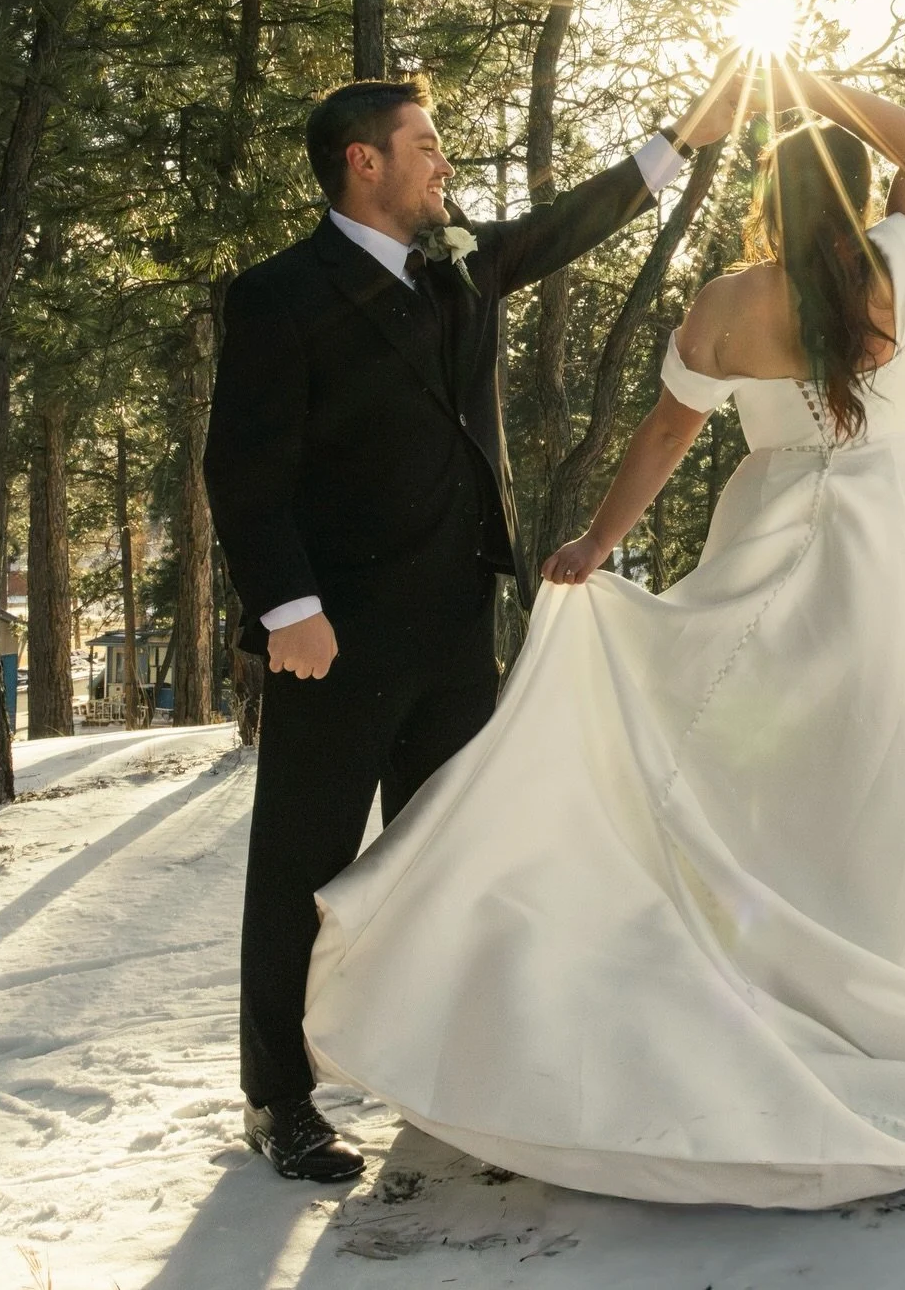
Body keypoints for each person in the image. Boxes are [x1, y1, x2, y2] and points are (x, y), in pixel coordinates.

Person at [301, 67, 905, 1208]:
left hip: (776, 540)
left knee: (747, 759)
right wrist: (811, 81)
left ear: (766, 199)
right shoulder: (891, 269)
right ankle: (881, 967)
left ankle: (757, 957)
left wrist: (592, 543)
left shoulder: (722, 302)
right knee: (883, 763)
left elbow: (666, 434)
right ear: (854, 194)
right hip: (893, 536)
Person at [203, 75, 739, 1181]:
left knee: (454, 857)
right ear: (364, 161)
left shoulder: (461, 267)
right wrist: (288, 608)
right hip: (334, 639)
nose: (444, 162)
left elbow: (560, 225)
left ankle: (449, 1075)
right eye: (426, 144)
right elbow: (242, 472)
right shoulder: (276, 294)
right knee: (301, 865)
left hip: (457, 623)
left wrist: (679, 136)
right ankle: (279, 1097)